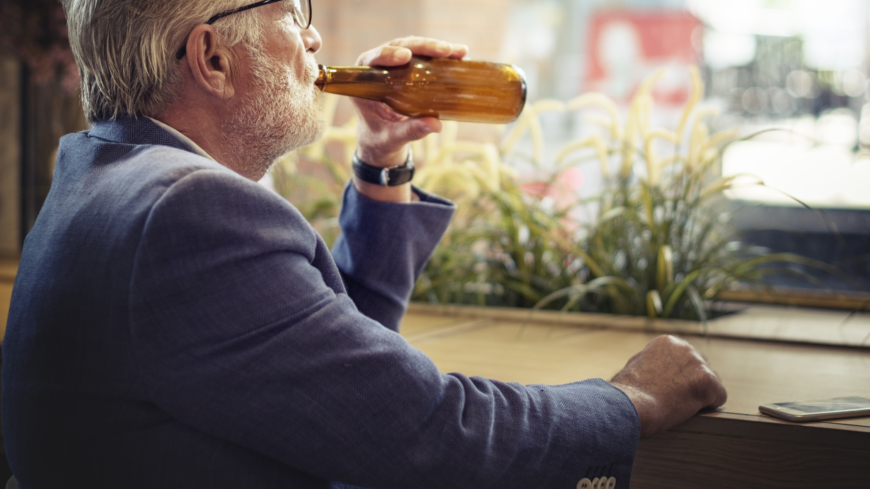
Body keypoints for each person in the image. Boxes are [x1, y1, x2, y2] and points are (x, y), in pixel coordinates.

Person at [1, 0, 727, 488]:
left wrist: (382, 157)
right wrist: (631, 399)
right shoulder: (186, 212)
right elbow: (427, 431)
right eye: (292, 11)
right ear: (213, 59)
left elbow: (337, 387)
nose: (314, 38)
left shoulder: (103, 175)